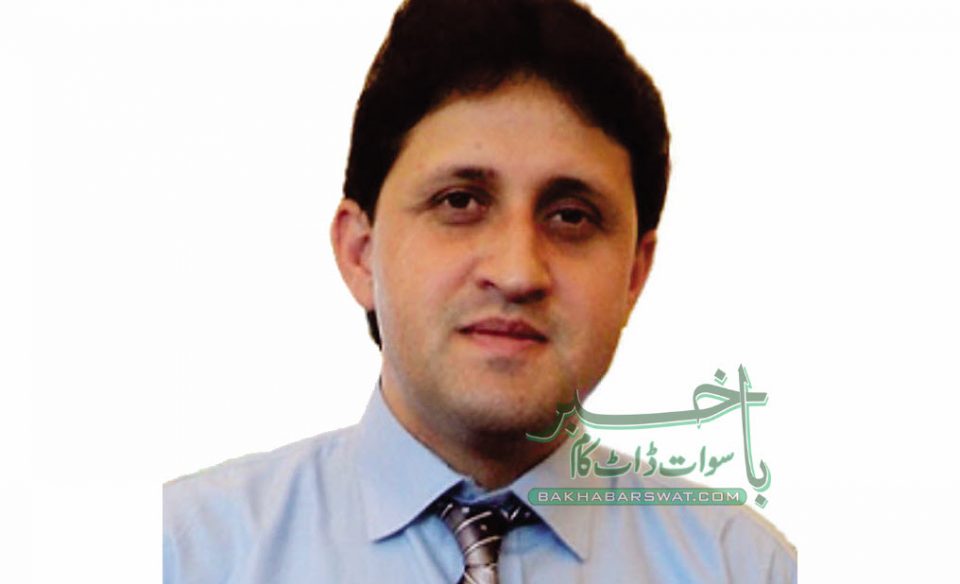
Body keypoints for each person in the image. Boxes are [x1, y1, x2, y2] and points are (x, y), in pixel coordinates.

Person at [163, 0, 797, 582]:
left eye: (571, 216)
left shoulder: (746, 568)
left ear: (635, 274)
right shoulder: (184, 554)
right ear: (360, 252)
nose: (518, 273)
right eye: (460, 201)